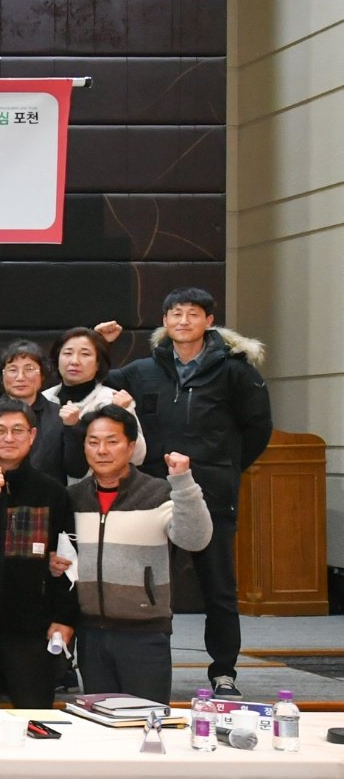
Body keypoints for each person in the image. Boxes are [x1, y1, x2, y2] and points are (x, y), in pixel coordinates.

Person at [107, 288, 272, 695]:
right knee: (146, 585)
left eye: (193, 314)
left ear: (209, 321)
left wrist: (223, 468)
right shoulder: (143, 370)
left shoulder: (235, 371)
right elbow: (92, 390)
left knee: (218, 587)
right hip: (152, 493)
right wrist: (99, 344)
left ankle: (224, 672)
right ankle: (145, 665)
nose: (183, 321)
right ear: (164, 321)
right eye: (175, 314)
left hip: (212, 492)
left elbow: (258, 428)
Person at [68, 405, 213, 702]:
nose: (102, 450)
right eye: (93, 442)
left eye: (112, 441)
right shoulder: (73, 498)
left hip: (144, 633)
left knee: (148, 719)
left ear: (131, 446)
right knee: (99, 719)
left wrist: (183, 483)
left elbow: (196, 539)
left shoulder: (157, 493)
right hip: (90, 632)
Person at [0, 399, 77, 710]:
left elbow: (67, 562)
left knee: (35, 717)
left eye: (18, 430)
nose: (9, 438)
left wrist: (64, 617)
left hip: (31, 631)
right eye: (0, 431)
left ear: (32, 435)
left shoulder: (52, 492)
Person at [46, 325, 143, 483]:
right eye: (67, 353)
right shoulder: (44, 399)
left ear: (98, 363)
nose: (74, 361)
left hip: (97, 491)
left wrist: (121, 413)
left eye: (85, 354)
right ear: (57, 359)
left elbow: (138, 456)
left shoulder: (113, 399)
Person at [0, 339, 64, 479]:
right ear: (2, 376)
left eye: (29, 369)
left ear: (42, 374)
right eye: (12, 370)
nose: (20, 377)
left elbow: (75, 469)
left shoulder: (59, 416)